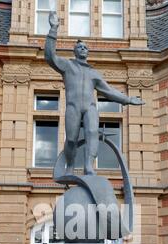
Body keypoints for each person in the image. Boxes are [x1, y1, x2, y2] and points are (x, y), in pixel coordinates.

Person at [45, 11, 145, 176]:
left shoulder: (94, 73)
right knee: (71, 140)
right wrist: (53, 30)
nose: (83, 49)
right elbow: (50, 57)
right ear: (75, 51)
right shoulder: (67, 66)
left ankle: (89, 166)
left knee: (92, 133)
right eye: (80, 47)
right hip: (73, 107)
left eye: (85, 47)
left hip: (90, 108)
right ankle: (70, 165)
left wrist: (127, 99)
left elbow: (109, 91)